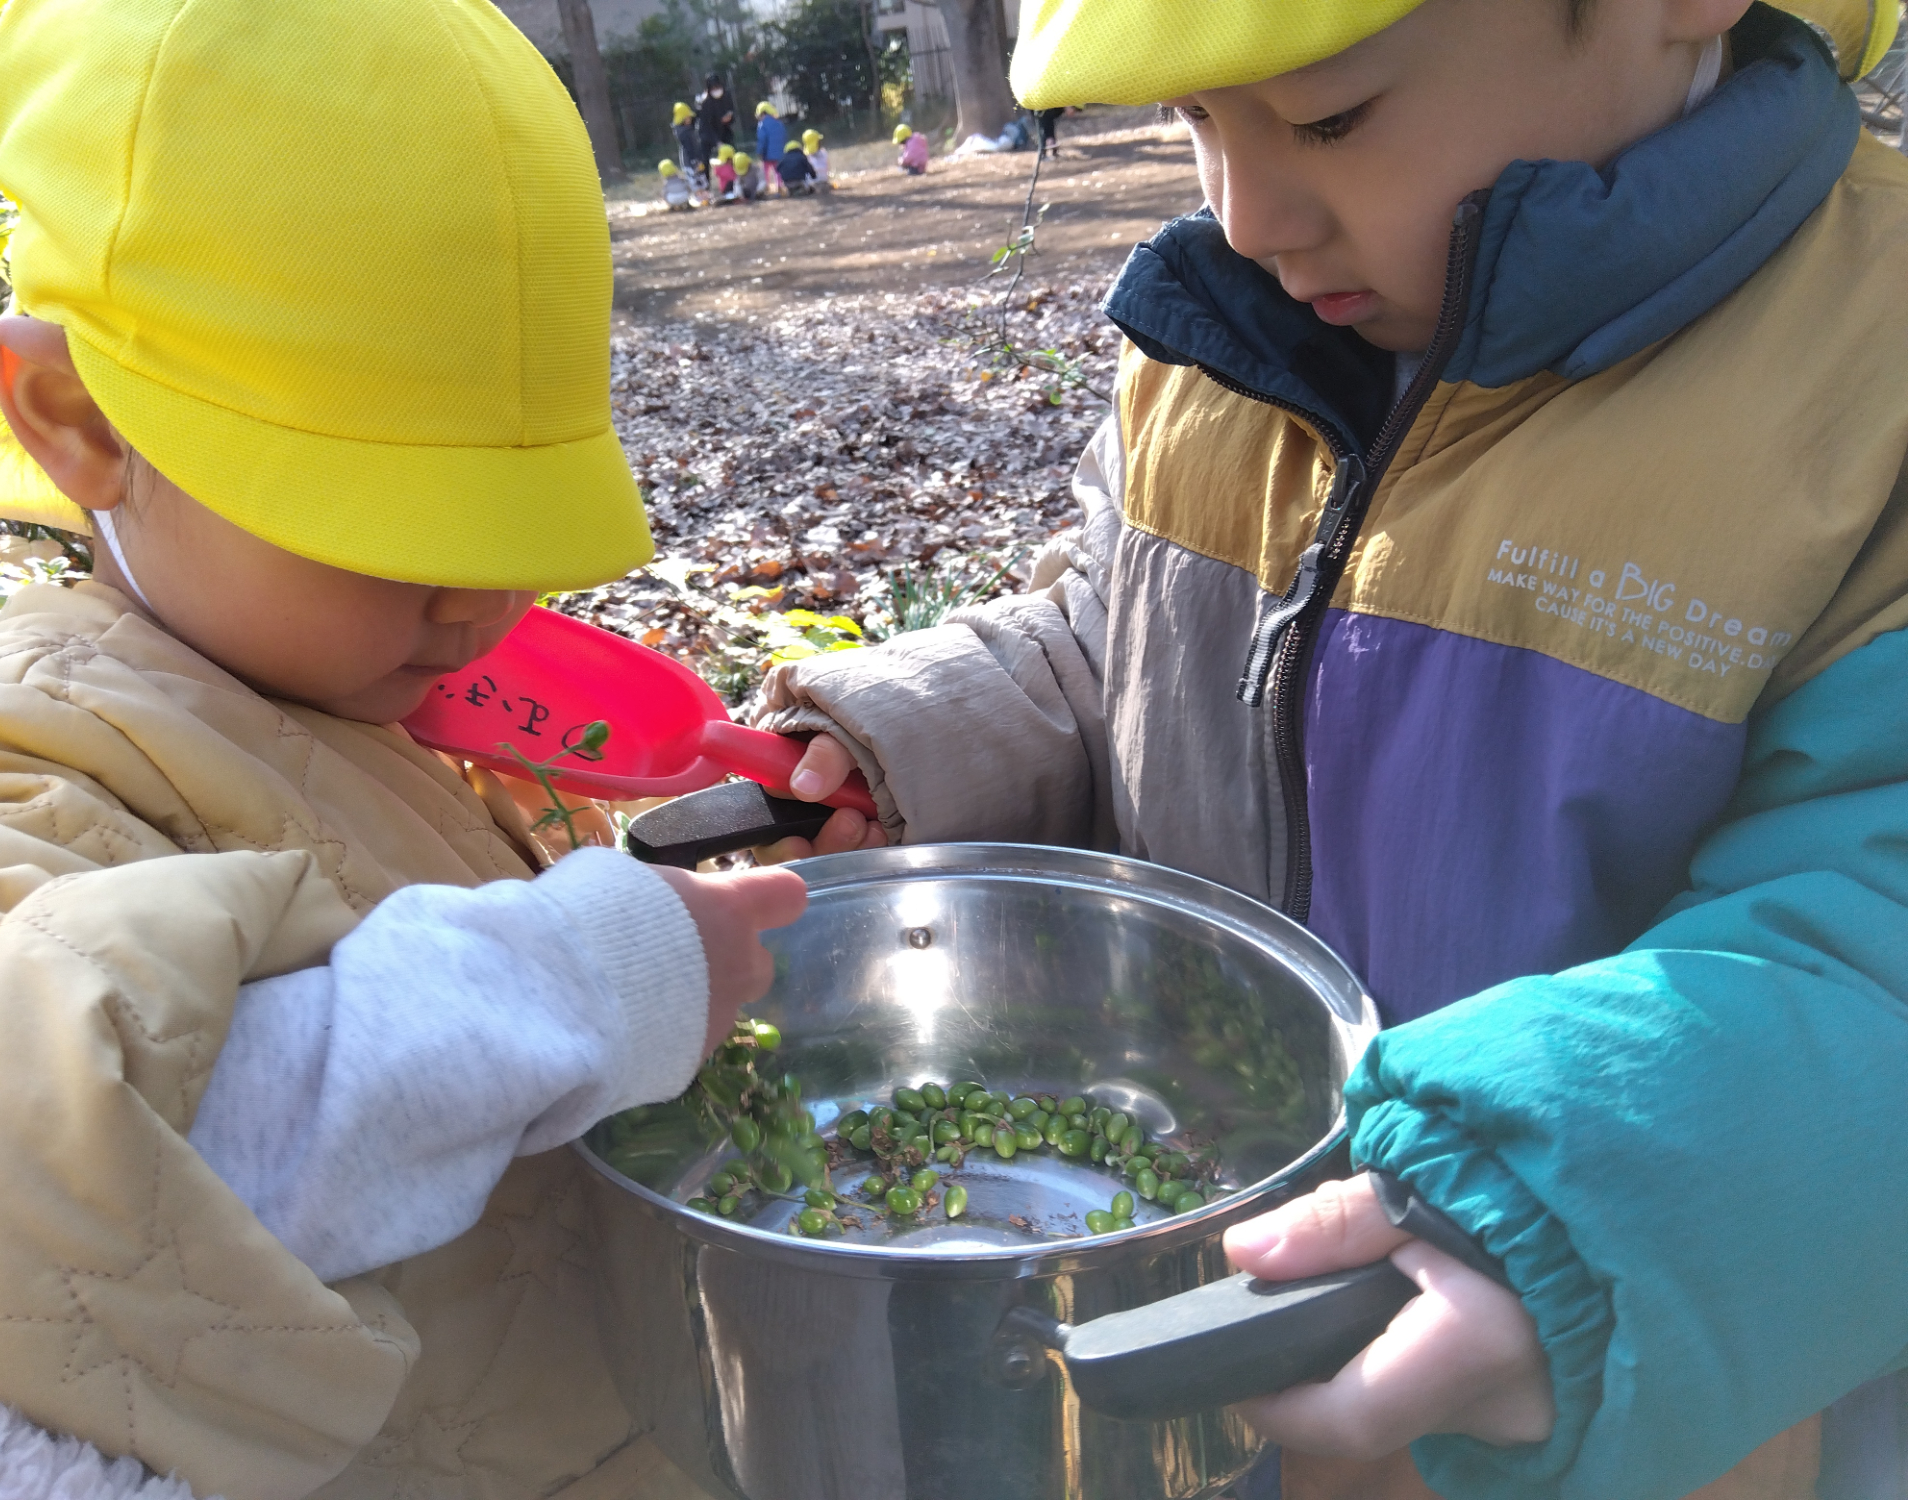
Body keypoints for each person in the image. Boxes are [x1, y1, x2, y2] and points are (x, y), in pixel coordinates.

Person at [756, 0, 1908, 1498]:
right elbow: (1119, 628)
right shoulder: (1233, 337)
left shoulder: (1870, 380)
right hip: (1226, 1323)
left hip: (1624, 1375)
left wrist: (1568, 1208)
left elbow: (1871, 933)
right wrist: (907, 746)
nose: (1245, 216)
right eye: (1194, 123)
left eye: (1327, 118)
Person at [0, 0, 808, 1494]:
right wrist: (581, 979)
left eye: (509, 523)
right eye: (385, 524)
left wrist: (706, 866)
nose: (475, 602)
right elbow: (20, 1159)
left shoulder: (364, 673)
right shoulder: (6, 762)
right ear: (76, 419)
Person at [695, 70, 735, 166]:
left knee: (730, 155)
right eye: (713, 88)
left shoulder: (726, 96)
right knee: (704, 160)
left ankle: (732, 178)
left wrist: (730, 118)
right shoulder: (704, 101)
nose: (716, 90)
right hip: (707, 134)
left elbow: (732, 112)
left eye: (717, 87)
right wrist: (717, 142)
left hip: (724, 131)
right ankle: (705, 179)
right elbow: (705, 125)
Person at [755, 100, 787, 191]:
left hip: (767, 154)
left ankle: (766, 187)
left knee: (765, 171)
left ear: (762, 114)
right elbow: (784, 137)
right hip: (779, 153)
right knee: (778, 171)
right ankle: (779, 186)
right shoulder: (779, 123)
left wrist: (760, 151)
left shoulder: (762, 124)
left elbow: (762, 139)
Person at [671, 98, 704, 175]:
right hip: (689, 162)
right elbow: (688, 148)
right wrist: (694, 161)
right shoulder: (682, 132)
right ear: (681, 119)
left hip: (696, 157)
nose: (690, 119)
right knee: (696, 182)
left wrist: (699, 107)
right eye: (687, 118)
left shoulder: (687, 126)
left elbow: (695, 118)